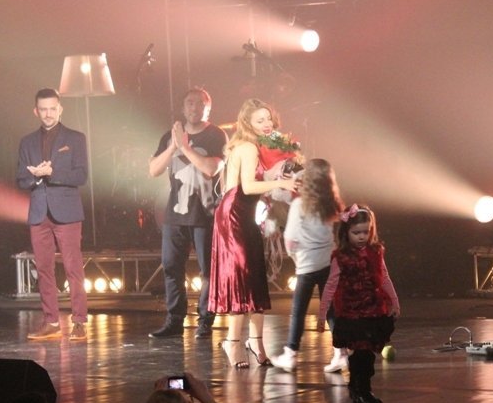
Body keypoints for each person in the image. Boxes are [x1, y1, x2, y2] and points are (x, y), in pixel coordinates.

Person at [209, 98, 298, 368]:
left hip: (244, 212)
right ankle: (232, 342)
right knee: (242, 277)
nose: (267, 124)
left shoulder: (254, 146)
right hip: (235, 214)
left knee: (255, 275)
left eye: (268, 118)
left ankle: (256, 343)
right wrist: (282, 183)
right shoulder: (247, 147)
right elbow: (246, 187)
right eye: (260, 120)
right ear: (247, 123)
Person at [148, 87, 227, 339]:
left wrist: (186, 148)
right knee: (171, 266)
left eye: (200, 103)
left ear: (208, 108)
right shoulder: (170, 136)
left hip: (205, 213)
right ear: (183, 108)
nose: (194, 108)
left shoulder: (216, 135)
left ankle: (205, 320)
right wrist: (173, 146)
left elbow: (211, 168)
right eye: (190, 103)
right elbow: (153, 169)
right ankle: (175, 320)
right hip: (175, 214)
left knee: (208, 271)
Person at [16, 87, 89, 343]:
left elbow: (81, 175)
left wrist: (52, 173)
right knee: (44, 269)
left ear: (60, 109)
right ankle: (51, 322)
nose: (48, 114)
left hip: (67, 211)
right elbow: (21, 179)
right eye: (43, 109)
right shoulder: (27, 142)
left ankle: (79, 321)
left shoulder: (75, 138)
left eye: (52, 109)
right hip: (39, 212)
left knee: (73, 268)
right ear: (36, 111)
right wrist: (36, 177)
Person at [318, 204, 400, 403]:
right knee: (362, 351)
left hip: (373, 309)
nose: (362, 236)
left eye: (366, 232)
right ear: (346, 232)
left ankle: (359, 388)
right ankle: (361, 390)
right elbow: (330, 286)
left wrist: (394, 301)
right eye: (357, 233)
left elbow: (384, 277)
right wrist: (322, 314)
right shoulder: (341, 257)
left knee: (367, 353)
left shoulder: (375, 252)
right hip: (352, 312)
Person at [271, 158, 345, 372]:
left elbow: (290, 239)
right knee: (330, 310)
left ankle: (290, 354)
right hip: (327, 263)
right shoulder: (330, 205)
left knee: (298, 311)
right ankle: (341, 353)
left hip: (306, 266)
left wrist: (295, 258)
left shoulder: (299, 206)